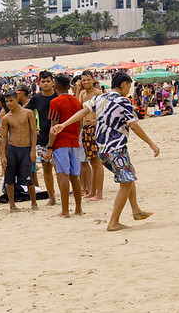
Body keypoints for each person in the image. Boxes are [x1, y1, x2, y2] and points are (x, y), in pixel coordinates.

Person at [52, 72, 159, 231]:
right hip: (116, 149)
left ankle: (136, 209)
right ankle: (113, 222)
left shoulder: (100, 98)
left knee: (129, 172)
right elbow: (133, 124)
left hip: (102, 150)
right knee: (126, 182)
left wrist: (64, 124)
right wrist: (151, 144)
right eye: (128, 86)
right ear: (123, 84)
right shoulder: (123, 101)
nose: (128, 90)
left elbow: (83, 112)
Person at [47, 73, 83, 218]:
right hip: (74, 141)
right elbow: (80, 123)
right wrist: (75, 135)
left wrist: (50, 146)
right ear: (69, 86)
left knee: (62, 174)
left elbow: (54, 126)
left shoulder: (55, 102)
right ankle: (78, 209)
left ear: (55, 86)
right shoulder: (76, 101)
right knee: (75, 175)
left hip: (61, 142)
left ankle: (65, 210)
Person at [0, 90, 38, 212]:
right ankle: (12, 205)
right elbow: (4, 138)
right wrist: (3, 156)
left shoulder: (28, 113)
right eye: (7, 101)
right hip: (12, 149)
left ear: (17, 100)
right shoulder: (6, 118)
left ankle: (34, 203)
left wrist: (33, 150)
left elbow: (33, 132)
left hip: (26, 148)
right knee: (9, 178)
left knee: (28, 177)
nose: (9, 103)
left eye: (11, 100)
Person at [29, 71, 58, 205]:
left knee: (60, 168)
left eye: (48, 81)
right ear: (39, 83)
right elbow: (26, 112)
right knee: (46, 168)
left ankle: (66, 193)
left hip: (58, 137)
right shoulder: (36, 98)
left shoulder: (58, 96)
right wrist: (32, 127)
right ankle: (52, 197)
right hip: (42, 138)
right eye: (43, 82)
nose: (46, 84)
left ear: (53, 82)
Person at [78, 71, 103, 201]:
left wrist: (96, 121)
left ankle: (99, 193)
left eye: (88, 79)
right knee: (92, 161)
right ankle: (92, 191)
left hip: (95, 129)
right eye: (84, 80)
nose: (86, 82)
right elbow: (79, 110)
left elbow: (105, 111)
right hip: (85, 130)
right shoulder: (82, 93)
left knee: (97, 162)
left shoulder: (98, 93)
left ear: (93, 80)